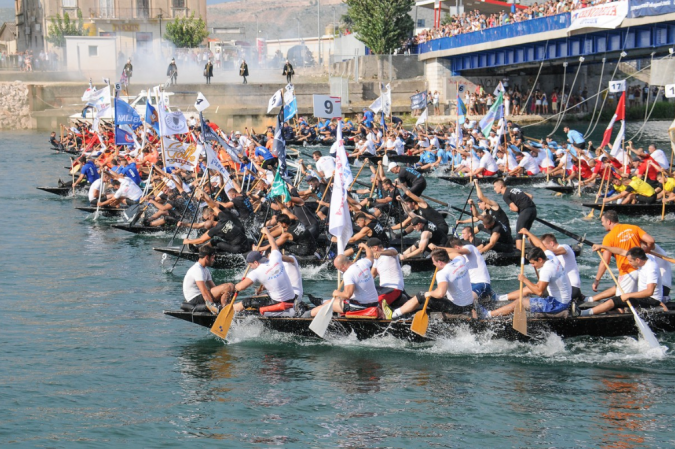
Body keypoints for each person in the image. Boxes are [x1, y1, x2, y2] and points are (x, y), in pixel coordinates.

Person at [480, 247, 571, 318]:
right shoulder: (550, 255)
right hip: (563, 296)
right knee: (528, 289)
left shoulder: (546, 270)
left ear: (540, 259)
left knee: (520, 302)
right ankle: (498, 298)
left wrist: (524, 280)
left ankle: (488, 314)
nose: (532, 266)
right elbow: (541, 245)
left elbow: (539, 292)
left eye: (533, 263)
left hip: (557, 304)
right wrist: (527, 233)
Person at [575, 246, 667, 316]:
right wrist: (603, 247)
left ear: (638, 260)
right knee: (611, 302)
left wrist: (628, 295)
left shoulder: (651, 269)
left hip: (651, 300)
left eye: (630, 261)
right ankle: (618, 314)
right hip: (641, 295)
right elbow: (621, 251)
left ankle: (582, 313)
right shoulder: (645, 258)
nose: (629, 263)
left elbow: (649, 291)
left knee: (614, 301)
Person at [587, 211, 655, 303]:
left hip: (627, 272)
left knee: (619, 302)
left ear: (609, 222)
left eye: (602, 222)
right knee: (635, 300)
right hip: (641, 269)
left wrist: (597, 280)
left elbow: (605, 262)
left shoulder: (608, 238)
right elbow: (650, 240)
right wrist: (645, 251)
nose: (602, 224)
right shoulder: (633, 228)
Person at [391, 248, 475, 319]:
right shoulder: (460, 261)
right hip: (469, 305)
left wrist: (429, 293)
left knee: (422, 295)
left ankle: (395, 314)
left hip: (457, 308)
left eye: (434, 262)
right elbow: (456, 254)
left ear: (440, 262)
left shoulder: (443, 273)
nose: (433, 264)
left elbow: (440, 294)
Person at [233, 227, 298, 316]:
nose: (251, 267)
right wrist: (267, 232)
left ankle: (227, 311)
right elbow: (274, 244)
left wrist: (236, 286)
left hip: (279, 303)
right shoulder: (275, 258)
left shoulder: (256, 272)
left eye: (250, 265)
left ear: (255, 262)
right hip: (292, 298)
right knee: (260, 297)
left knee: (246, 302)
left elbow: (240, 287)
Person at [309, 243, 380, 317]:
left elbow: (347, 294)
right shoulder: (362, 263)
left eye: (338, 268)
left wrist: (337, 293)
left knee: (324, 307)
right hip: (374, 302)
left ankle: (306, 316)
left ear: (342, 266)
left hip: (361, 306)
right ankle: (322, 305)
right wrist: (365, 246)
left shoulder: (348, 274)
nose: (339, 270)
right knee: (329, 302)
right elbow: (370, 256)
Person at [519, 229, 583, 302]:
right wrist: (528, 234)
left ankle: (505, 299)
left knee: (529, 289)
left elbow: (541, 246)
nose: (543, 249)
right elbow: (540, 245)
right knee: (537, 286)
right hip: (566, 288)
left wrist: (528, 233)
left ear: (552, 243)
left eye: (545, 246)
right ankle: (504, 297)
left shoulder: (565, 247)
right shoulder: (551, 258)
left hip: (572, 288)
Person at [182, 246, 236, 314]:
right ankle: (222, 313)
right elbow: (204, 292)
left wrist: (230, 292)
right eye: (213, 258)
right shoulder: (197, 269)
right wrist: (213, 307)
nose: (214, 260)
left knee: (231, 286)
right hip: (194, 299)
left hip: (201, 297)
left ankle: (227, 310)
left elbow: (213, 288)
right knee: (227, 287)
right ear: (207, 257)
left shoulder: (205, 269)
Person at [367, 238, 407, 318]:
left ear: (375, 248)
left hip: (394, 288)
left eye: (370, 249)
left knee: (375, 304)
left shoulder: (390, 251)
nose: (369, 253)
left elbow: (394, 252)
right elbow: (372, 275)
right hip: (382, 289)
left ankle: (388, 315)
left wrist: (380, 253)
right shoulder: (376, 260)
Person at [493, 179, 536, 251]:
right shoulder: (513, 189)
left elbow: (515, 209)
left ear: (501, 186)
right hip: (533, 210)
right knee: (526, 233)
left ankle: (518, 254)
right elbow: (530, 196)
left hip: (525, 211)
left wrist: (511, 208)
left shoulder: (505, 195)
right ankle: (537, 248)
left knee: (519, 232)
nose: (494, 189)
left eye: (494, 187)